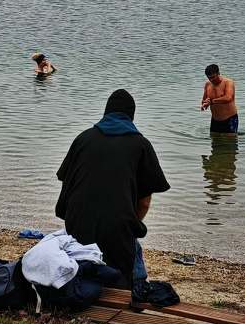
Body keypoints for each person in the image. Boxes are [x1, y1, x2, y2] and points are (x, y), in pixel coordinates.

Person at [55, 89, 170, 285]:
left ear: (106, 112)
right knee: (123, 275)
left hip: (75, 225)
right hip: (117, 232)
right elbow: (144, 202)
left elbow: (66, 182)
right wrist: (131, 224)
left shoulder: (83, 138)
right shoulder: (141, 145)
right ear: (131, 116)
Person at [200, 64, 238, 134]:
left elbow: (228, 98)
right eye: (209, 78)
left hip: (229, 119)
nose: (211, 80)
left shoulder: (228, 82)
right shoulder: (208, 84)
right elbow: (204, 100)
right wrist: (205, 104)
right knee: (214, 142)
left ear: (218, 73)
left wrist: (211, 101)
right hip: (215, 120)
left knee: (230, 142)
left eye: (213, 77)